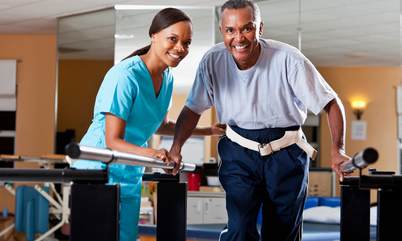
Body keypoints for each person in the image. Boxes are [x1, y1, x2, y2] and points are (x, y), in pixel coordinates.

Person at [169, 0, 351, 240]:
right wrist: (176, 148)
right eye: (231, 30)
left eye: (247, 28)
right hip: (239, 152)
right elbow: (192, 109)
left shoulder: (288, 59)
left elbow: (331, 103)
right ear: (222, 30)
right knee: (240, 227)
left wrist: (338, 149)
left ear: (260, 28)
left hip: (287, 152)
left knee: (282, 232)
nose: (239, 38)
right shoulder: (212, 61)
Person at [72, 8, 225, 241]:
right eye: (173, 39)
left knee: (127, 238)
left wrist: (209, 130)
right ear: (154, 35)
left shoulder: (167, 78)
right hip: (99, 170)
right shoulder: (124, 75)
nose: (180, 48)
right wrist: (154, 153)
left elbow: (160, 124)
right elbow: (113, 139)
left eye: (187, 42)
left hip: (130, 170)